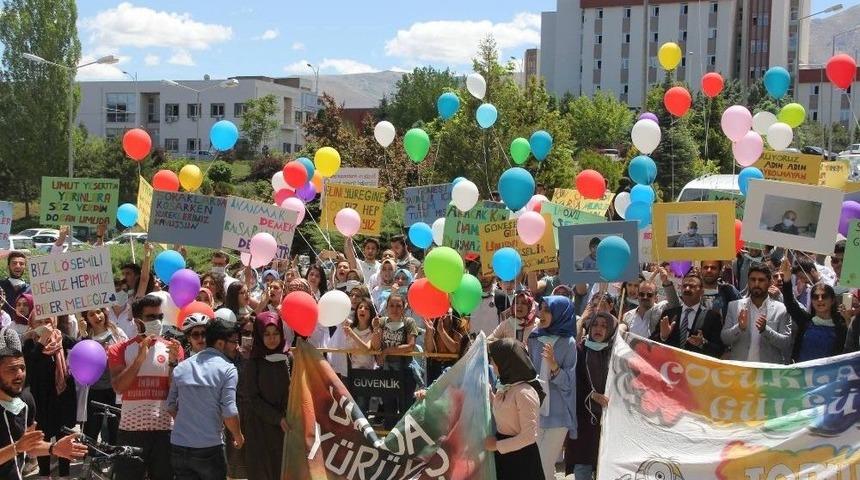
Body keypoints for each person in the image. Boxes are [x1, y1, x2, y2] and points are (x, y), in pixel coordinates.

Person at [108, 295, 184, 480]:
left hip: (164, 430)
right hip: (131, 431)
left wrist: (174, 364)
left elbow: (175, 392)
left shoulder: (173, 348)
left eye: (159, 317)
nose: (156, 322)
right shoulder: (119, 349)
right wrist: (140, 358)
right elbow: (118, 387)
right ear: (137, 320)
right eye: (151, 317)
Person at [168, 318, 244, 479]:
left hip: (179, 447)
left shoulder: (181, 367)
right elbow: (229, 411)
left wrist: (189, 423)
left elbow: (171, 407)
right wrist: (238, 435)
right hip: (209, 448)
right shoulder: (228, 370)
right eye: (234, 342)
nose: (237, 346)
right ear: (220, 343)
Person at [0, 348, 87, 480]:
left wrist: (54, 448)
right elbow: (20, 447)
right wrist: (16, 448)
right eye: (12, 369)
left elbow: (30, 448)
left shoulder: (26, 400)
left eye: (22, 368)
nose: (19, 374)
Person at [528, 296, 577, 480]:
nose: (542, 314)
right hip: (534, 411)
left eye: (548, 310)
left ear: (560, 313)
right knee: (535, 465)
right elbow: (530, 372)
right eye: (541, 309)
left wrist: (554, 366)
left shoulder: (569, 343)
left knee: (544, 463)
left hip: (559, 415)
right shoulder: (534, 337)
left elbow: (569, 384)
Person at [22, 315, 77, 479]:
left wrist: (84, 334)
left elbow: (82, 348)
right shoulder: (30, 343)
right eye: (38, 322)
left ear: (54, 322)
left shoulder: (63, 339)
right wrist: (41, 342)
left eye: (47, 322)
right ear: (31, 324)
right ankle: (44, 474)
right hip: (40, 399)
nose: (44, 326)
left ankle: (65, 474)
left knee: (64, 436)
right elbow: (29, 368)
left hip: (63, 397)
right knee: (42, 436)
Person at [483, 338, 545, 480]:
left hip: (522, 460)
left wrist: (497, 445)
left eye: (494, 360)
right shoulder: (506, 386)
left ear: (506, 362)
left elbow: (529, 436)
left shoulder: (524, 392)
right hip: (505, 456)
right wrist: (489, 394)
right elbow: (505, 412)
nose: (491, 364)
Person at [239, 312, 290, 480]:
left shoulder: (288, 358)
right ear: (259, 335)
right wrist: (277, 418)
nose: (272, 339)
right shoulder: (254, 362)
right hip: (259, 427)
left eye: (276, 333)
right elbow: (252, 398)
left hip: (285, 427)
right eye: (266, 334)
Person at [565, 312, 616, 479]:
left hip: (609, 421)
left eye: (604, 326)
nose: (598, 329)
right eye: (595, 324)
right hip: (585, 420)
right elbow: (572, 382)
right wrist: (591, 395)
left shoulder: (616, 354)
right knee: (583, 466)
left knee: (605, 467)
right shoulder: (580, 350)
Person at [721, 264, 792, 364]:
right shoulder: (734, 306)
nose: (756, 284)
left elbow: (786, 343)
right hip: (741, 370)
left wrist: (766, 330)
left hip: (767, 373)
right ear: (748, 282)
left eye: (761, 280)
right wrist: (739, 328)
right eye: (753, 280)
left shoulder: (782, 309)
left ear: (770, 282)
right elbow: (725, 339)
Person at [779, 258, 846, 362]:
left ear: (832, 300)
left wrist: (849, 320)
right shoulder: (805, 321)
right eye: (815, 297)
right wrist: (787, 278)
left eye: (824, 296)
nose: (820, 300)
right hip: (801, 374)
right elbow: (790, 303)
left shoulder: (842, 326)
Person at [370, 293, 419, 429]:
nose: (395, 309)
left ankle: (405, 439)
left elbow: (410, 346)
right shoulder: (381, 321)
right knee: (388, 407)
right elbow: (375, 346)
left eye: (398, 306)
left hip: (405, 371)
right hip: (386, 371)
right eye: (391, 305)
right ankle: (389, 440)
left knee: (405, 407)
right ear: (386, 307)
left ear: (404, 308)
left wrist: (387, 351)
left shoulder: (409, 322)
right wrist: (375, 329)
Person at [80, 308, 128, 448]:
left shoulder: (117, 333)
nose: (96, 316)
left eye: (98, 312)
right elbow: (82, 358)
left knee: (116, 426)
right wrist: (83, 334)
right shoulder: (85, 336)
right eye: (91, 314)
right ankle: (89, 458)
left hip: (115, 388)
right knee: (92, 428)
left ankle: (115, 459)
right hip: (94, 388)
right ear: (86, 318)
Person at [655, 272, 725, 358]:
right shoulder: (669, 314)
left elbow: (719, 350)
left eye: (692, 286)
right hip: (670, 365)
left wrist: (702, 343)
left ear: (701, 291)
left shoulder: (711, 317)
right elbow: (651, 342)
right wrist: (663, 337)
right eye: (684, 286)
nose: (687, 289)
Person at [621, 268, 677, 338]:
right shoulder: (627, 315)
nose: (645, 297)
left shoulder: (661, 309)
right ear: (638, 295)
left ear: (656, 297)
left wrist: (666, 282)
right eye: (641, 294)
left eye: (649, 295)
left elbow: (675, 304)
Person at [424, 310, 469, 384]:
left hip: (451, 366)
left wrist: (441, 332)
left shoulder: (457, 330)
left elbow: (455, 349)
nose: (445, 316)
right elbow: (429, 349)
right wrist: (429, 332)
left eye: (448, 313)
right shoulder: (433, 328)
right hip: (434, 367)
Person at [1, 252, 30, 323]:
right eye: (14, 263)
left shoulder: (31, 289)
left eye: (21, 264)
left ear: (25, 267)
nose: (18, 266)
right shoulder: (1, 286)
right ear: (8, 266)